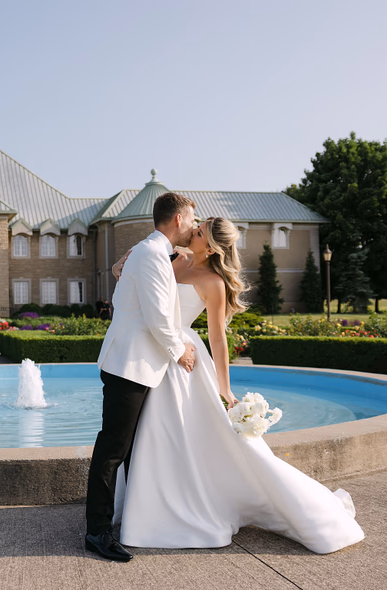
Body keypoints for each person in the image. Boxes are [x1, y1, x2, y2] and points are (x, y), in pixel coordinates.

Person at [111, 217, 364, 555]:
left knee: (172, 431)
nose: (190, 232)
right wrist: (118, 268)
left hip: (183, 359)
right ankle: (149, 505)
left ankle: (173, 509)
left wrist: (225, 388)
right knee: (153, 434)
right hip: (155, 351)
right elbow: (142, 288)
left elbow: (218, 339)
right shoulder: (174, 258)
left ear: (212, 246)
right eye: (193, 227)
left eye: (198, 233)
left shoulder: (213, 282)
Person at [85, 192, 197, 561]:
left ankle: (127, 520)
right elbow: (157, 317)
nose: (194, 227)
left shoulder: (150, 252)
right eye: (192, 220)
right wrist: (180, 350)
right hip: (128, 365)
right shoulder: (149, 254)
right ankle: (98, 532)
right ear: (178, 218)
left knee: (128, 449)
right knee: (113, 449)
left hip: (138, 366)